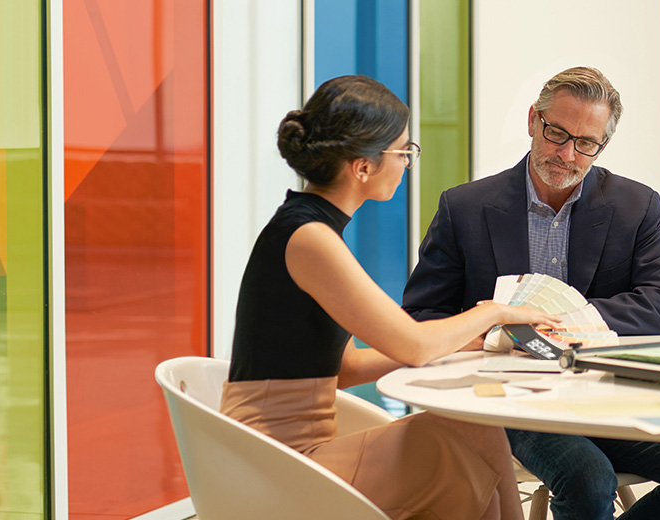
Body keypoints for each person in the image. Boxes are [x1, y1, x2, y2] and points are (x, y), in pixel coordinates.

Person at [403, 67, 660, 520]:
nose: (567, 154)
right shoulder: (464, 207)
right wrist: (494, 332)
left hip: (603, 392)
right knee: (587, 479)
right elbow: (421, 317)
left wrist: (574, 320)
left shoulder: (635, 205)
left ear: (602, 145)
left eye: (586, 143)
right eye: (556, 133)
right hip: (509, 398)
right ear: (532, 121)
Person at [225, 75, 550, 520]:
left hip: (300, 447)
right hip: (276, 461)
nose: (407, 163)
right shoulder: (310, 238)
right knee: (467, 450)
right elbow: (412, 345)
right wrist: (492, 311)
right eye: (403, 152)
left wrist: (463, 342)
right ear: (362, 167)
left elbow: (345, 367)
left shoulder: (310, 228)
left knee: (476, 433)